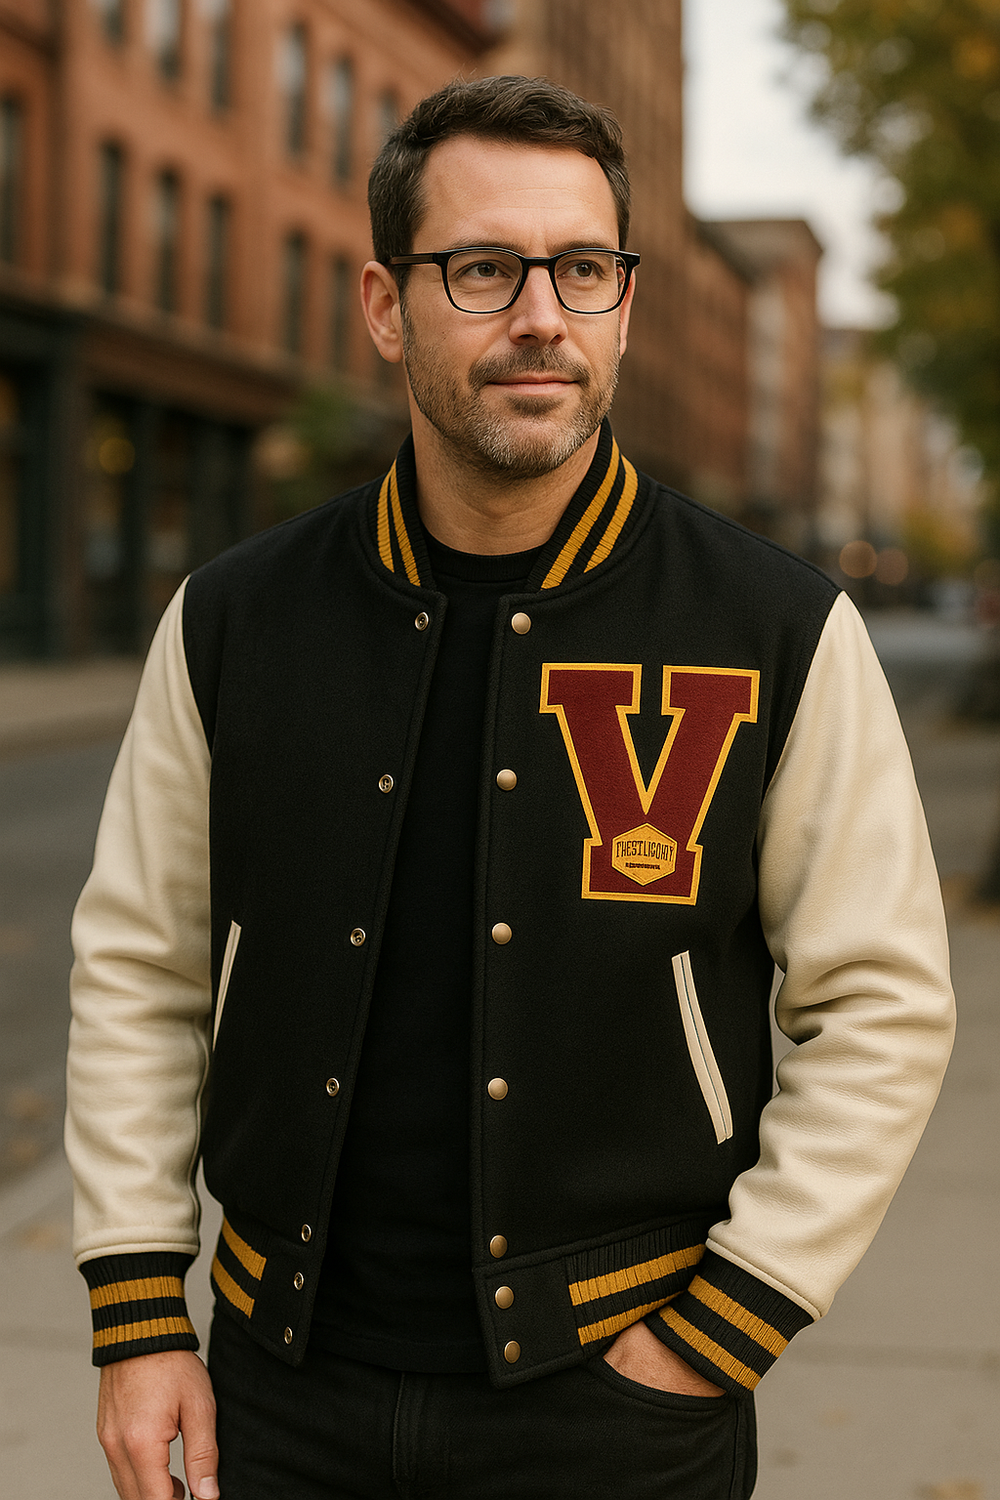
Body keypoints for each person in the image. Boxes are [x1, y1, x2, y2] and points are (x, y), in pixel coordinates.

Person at [66, 75, 955, 1500]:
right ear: (384, 304)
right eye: (482, 268)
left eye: (584, 269)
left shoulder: (776, 629)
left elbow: (884, 1001)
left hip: (618, 1399)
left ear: (622, 306)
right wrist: (134, 1309)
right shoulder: (235, 618)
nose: (540, 314)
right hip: (278, 1396)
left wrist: (726, 1327)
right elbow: (142, 968)